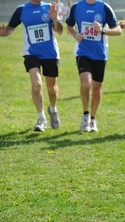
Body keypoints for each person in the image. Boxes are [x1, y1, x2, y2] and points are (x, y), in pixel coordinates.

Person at [0, 0, 63, 132]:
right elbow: (10, 29)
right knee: (37, 84)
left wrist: (55, 19)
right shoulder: (21, 9)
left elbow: (59, 31)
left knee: (52, 88)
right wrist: (3, 32)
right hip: (31, 53)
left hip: (50, 53)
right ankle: (41, 118)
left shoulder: (50, 7)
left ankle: (52, 109)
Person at [66, 0, 122, 132]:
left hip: (100, 54)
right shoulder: (76, 7)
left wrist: (103, 30)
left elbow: (118, 30)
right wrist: (75, 34)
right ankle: (85, 115)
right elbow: (69, 26)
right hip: (82, 52)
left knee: (96, 90)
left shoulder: (104, 7)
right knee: (86, 84)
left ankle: (92, 118)